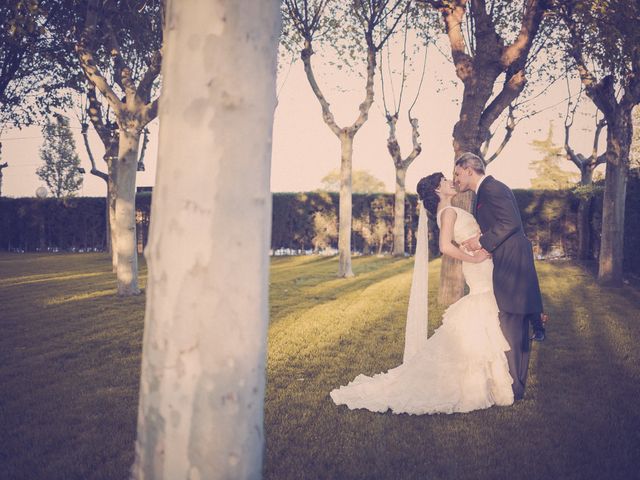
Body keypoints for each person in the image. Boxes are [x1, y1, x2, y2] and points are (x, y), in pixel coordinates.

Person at [330, 172, 514, 414]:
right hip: (478, 265)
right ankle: (481, 384)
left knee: (484, 313)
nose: (451, 181)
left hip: (481, 262)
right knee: (482, 312)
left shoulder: (447, 210)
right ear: (438, 190)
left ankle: (489, 382)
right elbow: (445, 246)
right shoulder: (447, 211)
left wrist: (479, 242)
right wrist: (475, 255)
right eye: (445, 180)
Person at [455, 152, 545, 401]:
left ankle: (514, 388)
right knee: (512, 320)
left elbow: (511, 223)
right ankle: (515, 385)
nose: (456, 179)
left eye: (457, 173)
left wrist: (481, 241)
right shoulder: (483, 193)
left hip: (512, 261)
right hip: (506, 257)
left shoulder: (493, 188)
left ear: (469, 170)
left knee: (513, 321)